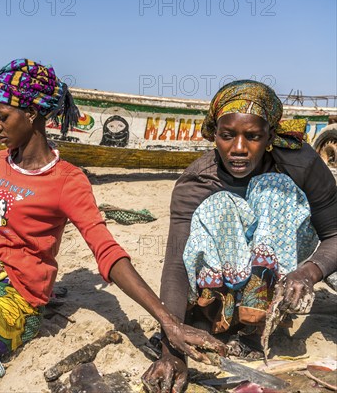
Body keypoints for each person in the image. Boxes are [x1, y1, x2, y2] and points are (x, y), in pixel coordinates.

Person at [0, 59, 226, 392]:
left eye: (3, 117)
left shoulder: (68, 181)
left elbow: (107, 251)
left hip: (18, 299)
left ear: (32, 114)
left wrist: (167, 320)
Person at [142, 80, 337, 393]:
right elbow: (177, 266)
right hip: (220, 288)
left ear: (270, 136)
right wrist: (171, 351)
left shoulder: (302, 164)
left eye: (254, 136)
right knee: (219, 206)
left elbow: (334, 234)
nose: (239, 149)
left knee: (277, 191)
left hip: (279, 278)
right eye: (227, 135)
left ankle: (253, 327)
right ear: (213, 134)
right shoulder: (196, 183)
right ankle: (214, 318)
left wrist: (308, 271)